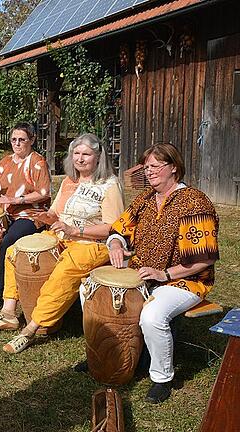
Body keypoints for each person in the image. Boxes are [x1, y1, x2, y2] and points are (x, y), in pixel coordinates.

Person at [0, 133, 124, 354]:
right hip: (61, 236)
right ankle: (9, 312)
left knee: (61, 276)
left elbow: (112, 227)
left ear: (98, 156)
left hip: (91, 243)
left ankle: (31, 329)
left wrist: (75, 229)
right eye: (76, 153)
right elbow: (54, 212)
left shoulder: (109, 185)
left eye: (86, 154)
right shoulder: (70, 181)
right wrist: (44, 218)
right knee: (14, 251)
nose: (80, 159)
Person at [100, 142, 219, 404]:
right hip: (143, 273)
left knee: (152, 315)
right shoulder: (144, 199)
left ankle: (161, 377)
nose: (149, 172)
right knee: (99, 296)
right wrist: (117, 243)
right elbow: (119, 228)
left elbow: (203, 258)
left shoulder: (194, 202)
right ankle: (112, 358)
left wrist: (164, 274)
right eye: (146, 167)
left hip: (185, 281)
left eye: (155, 166)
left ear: (173, 168)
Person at [0, 123, 52, 311]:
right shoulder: (5, 162)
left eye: (22, 139)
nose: (17, 143)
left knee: (8, 242)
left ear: (32, 140)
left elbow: (44, 193)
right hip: (7, 213)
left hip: (31, 215)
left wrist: (15, 199)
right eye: (14, 139)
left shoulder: (37, 162)